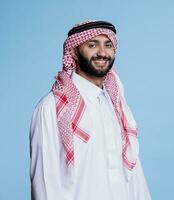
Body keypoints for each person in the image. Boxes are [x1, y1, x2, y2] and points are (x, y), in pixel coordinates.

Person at [29, 20, 151, 200]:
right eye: (92, 45)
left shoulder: (116, 106)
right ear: (74, 52)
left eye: (108, 45)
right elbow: (45, 182)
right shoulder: (51, 108)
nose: (102, 52)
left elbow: (132, 173)